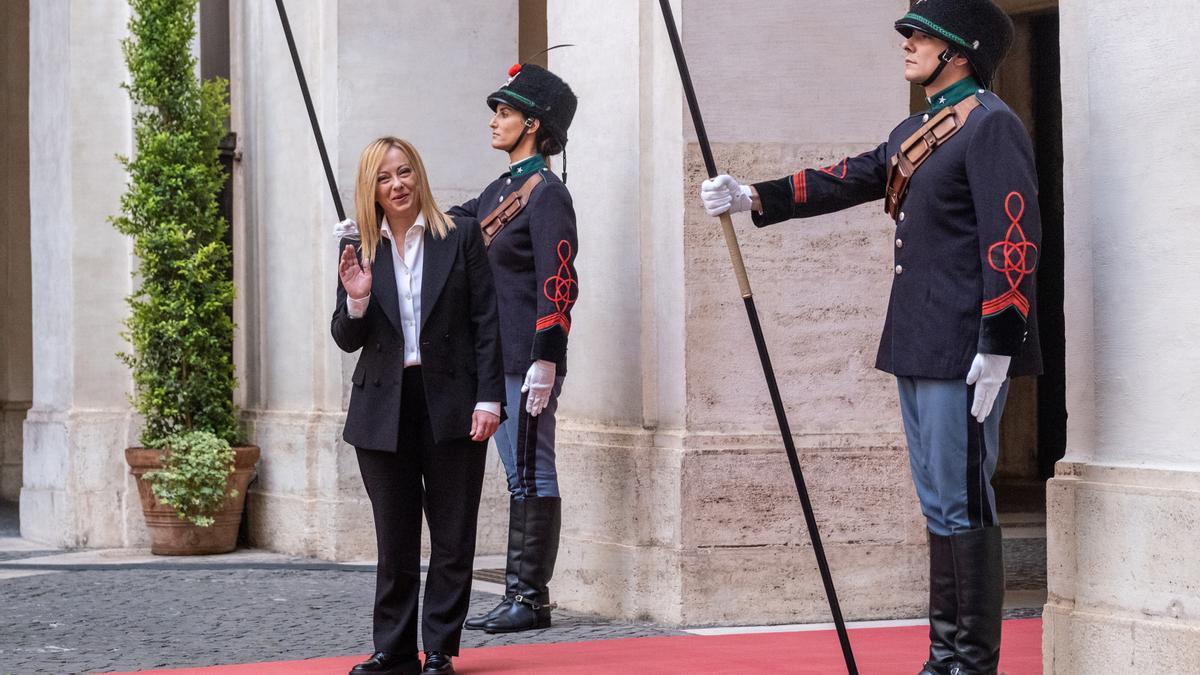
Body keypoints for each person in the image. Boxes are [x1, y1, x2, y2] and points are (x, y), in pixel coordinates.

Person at [699, 2, 1039, 674]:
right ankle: (944, 655)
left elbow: (1014, 235)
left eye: (922, 35)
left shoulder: (991, 126)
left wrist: (1000, 339)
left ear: (961, 50)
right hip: (918, 338)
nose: (907, 43)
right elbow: (853, 175)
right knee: (938, 498)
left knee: (964, 495)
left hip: (965, 346)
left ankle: (971, 660)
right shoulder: (918, 127)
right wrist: (754, 196)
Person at [332, 137, 505, 675]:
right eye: (384, 178)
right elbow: (344, 336)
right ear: (372, 190)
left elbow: (487, 323)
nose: (398, 184)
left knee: (453, 534)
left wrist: (489, 399)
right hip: (382, 409)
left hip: (452, 401)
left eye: (404, 172)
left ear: (419, 176)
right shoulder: (359, 247)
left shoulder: (461, 237)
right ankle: (394, 649)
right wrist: (357, 296)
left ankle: (440, 649)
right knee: (395, 536)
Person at [448, 63, 579, 634]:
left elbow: (561, 277)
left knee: (531, 470)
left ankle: (530, 598)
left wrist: (547, 357)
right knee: (517, 474)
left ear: (532, 123)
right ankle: (521, 596)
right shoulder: (497, 189)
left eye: (504, 113)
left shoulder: (546, 191)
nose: (494, 122)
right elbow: (454, 226)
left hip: (527, 358)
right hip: (494, 356)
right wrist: (378, 221)